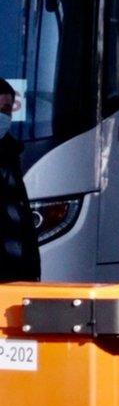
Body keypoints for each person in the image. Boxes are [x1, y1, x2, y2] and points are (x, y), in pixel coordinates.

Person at [0, 79, 40, 282]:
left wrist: (32, 270)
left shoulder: (11, 153)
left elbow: (19, 217)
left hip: (14, 272)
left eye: (5, 110)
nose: (2, 116)